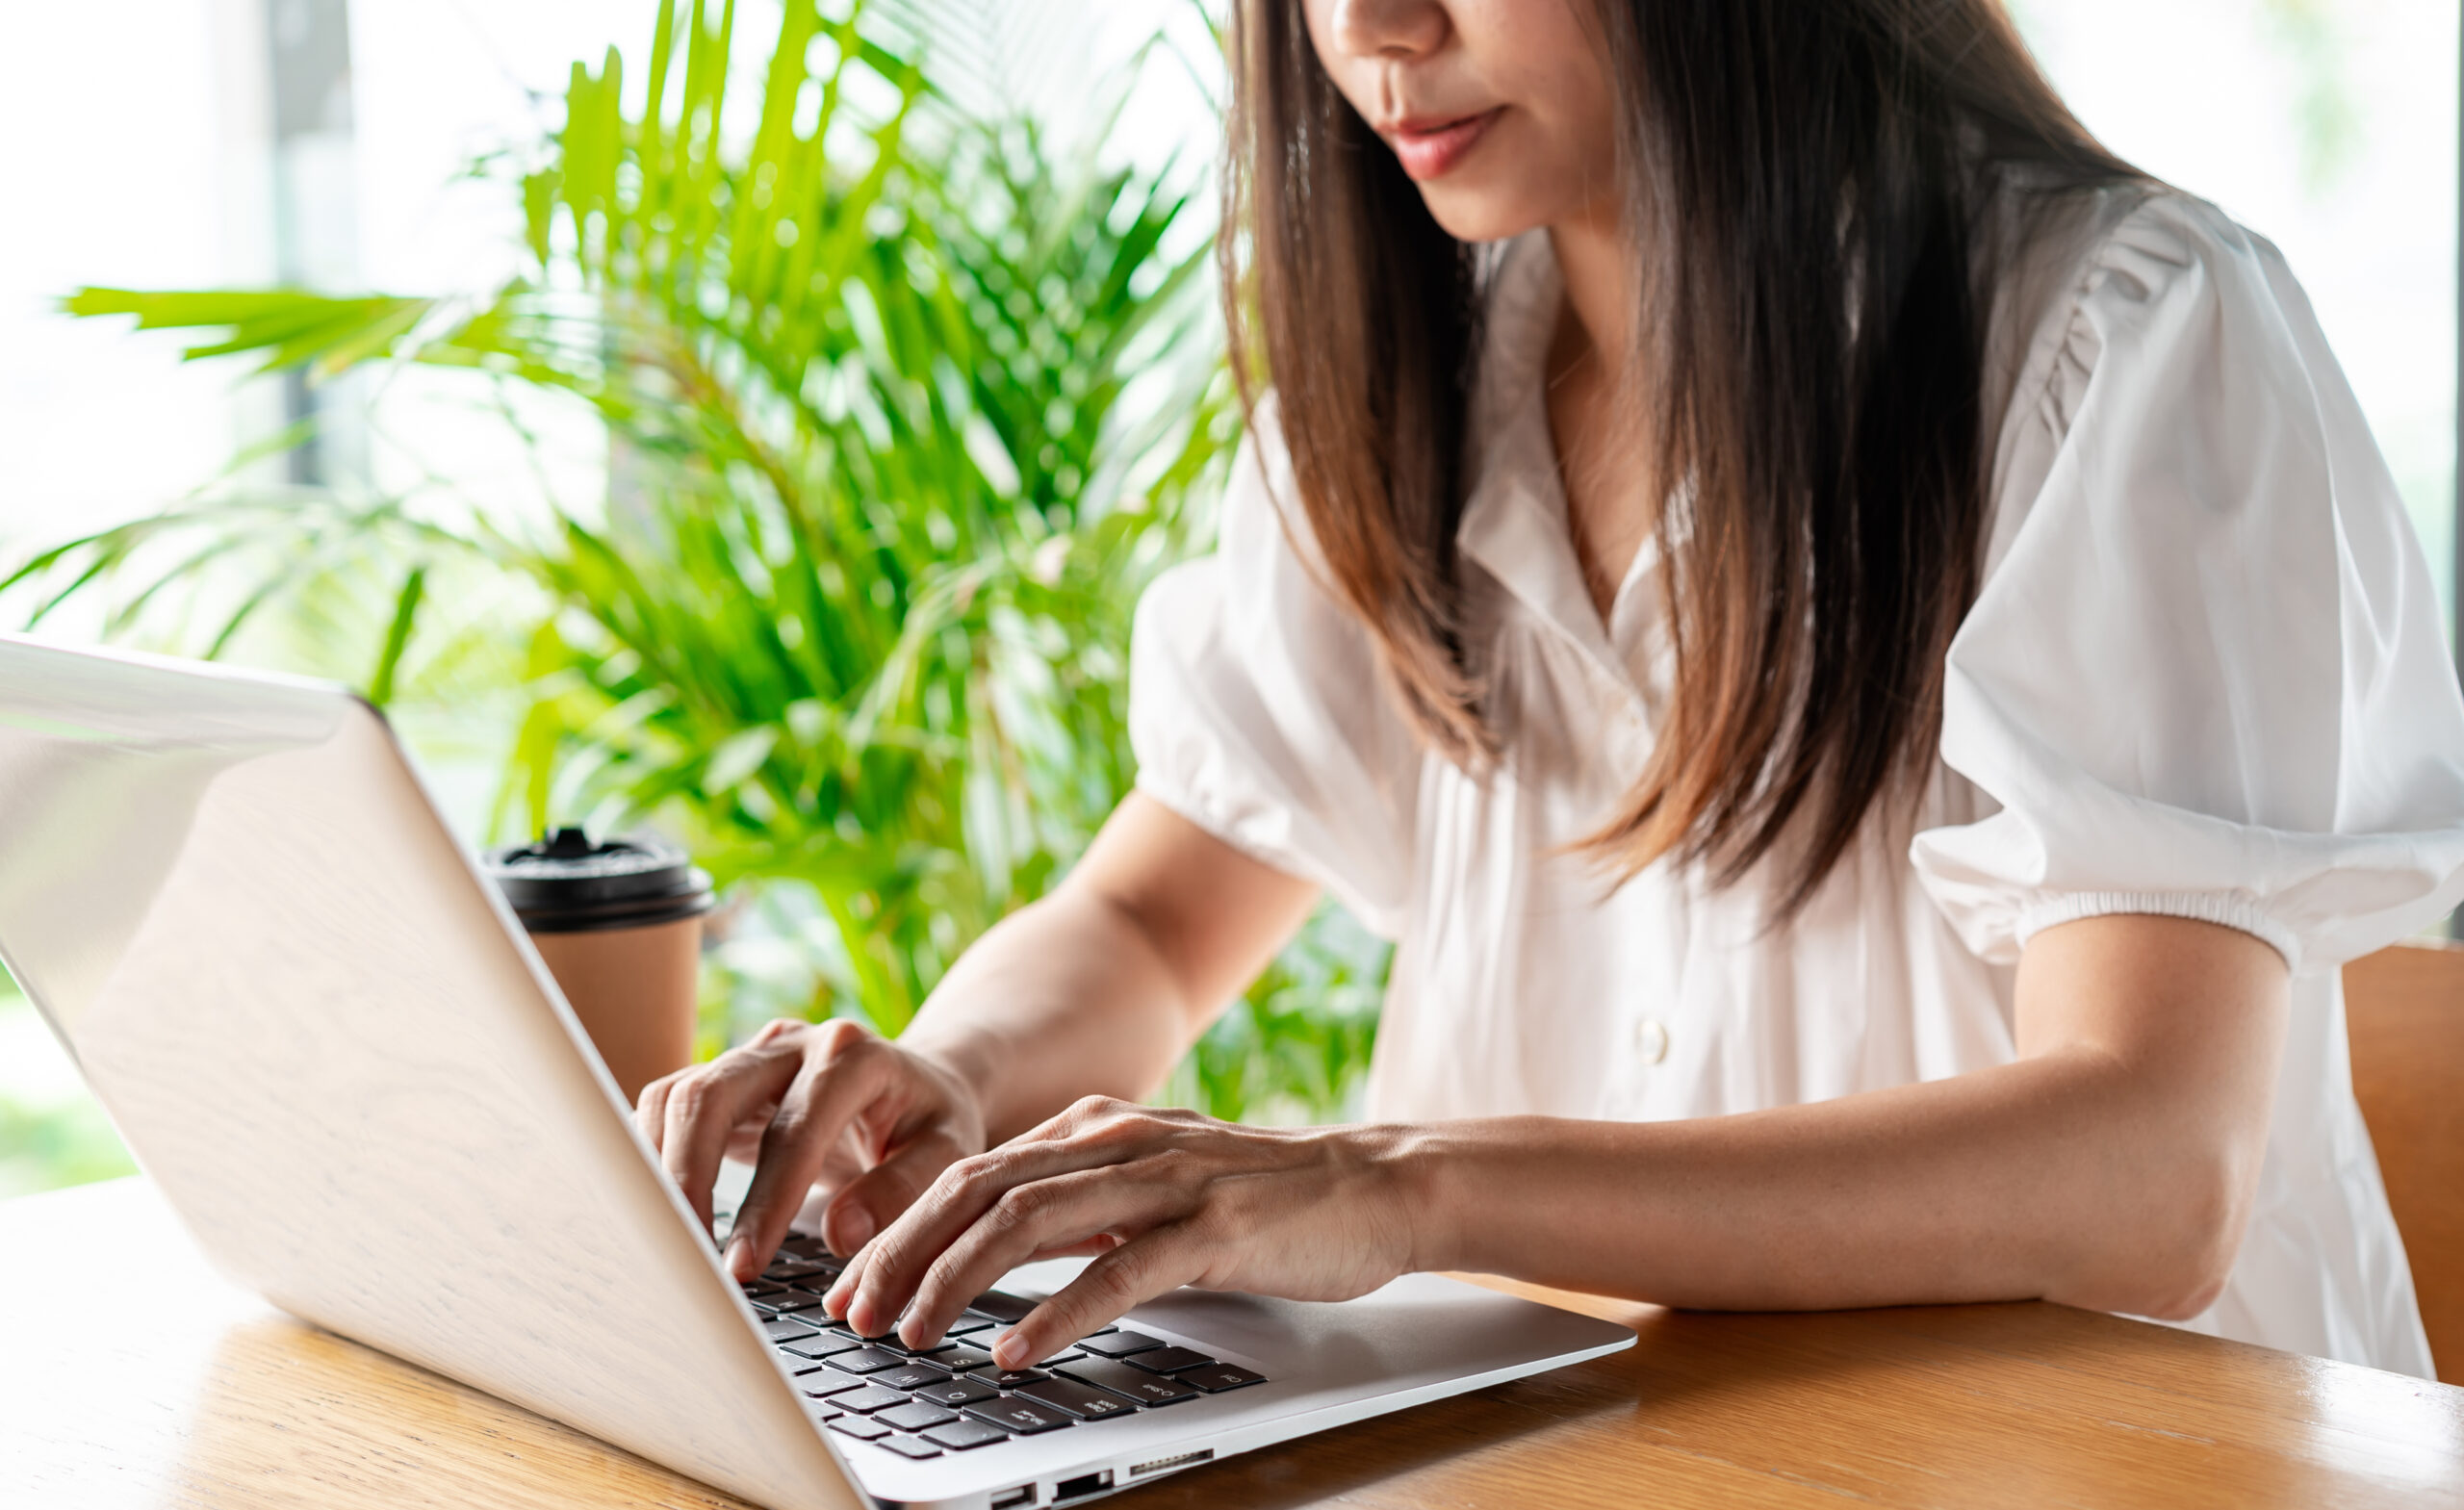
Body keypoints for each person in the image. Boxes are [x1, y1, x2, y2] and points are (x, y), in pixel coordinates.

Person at [639, 0, 2464, 1379]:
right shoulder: (1416, 385)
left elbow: (2150, 1168)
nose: (1370, 32)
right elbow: (1150, 913)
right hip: (1624, 1509)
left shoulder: (2125, 334)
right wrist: (943, 1083)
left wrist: (1406, 1186)